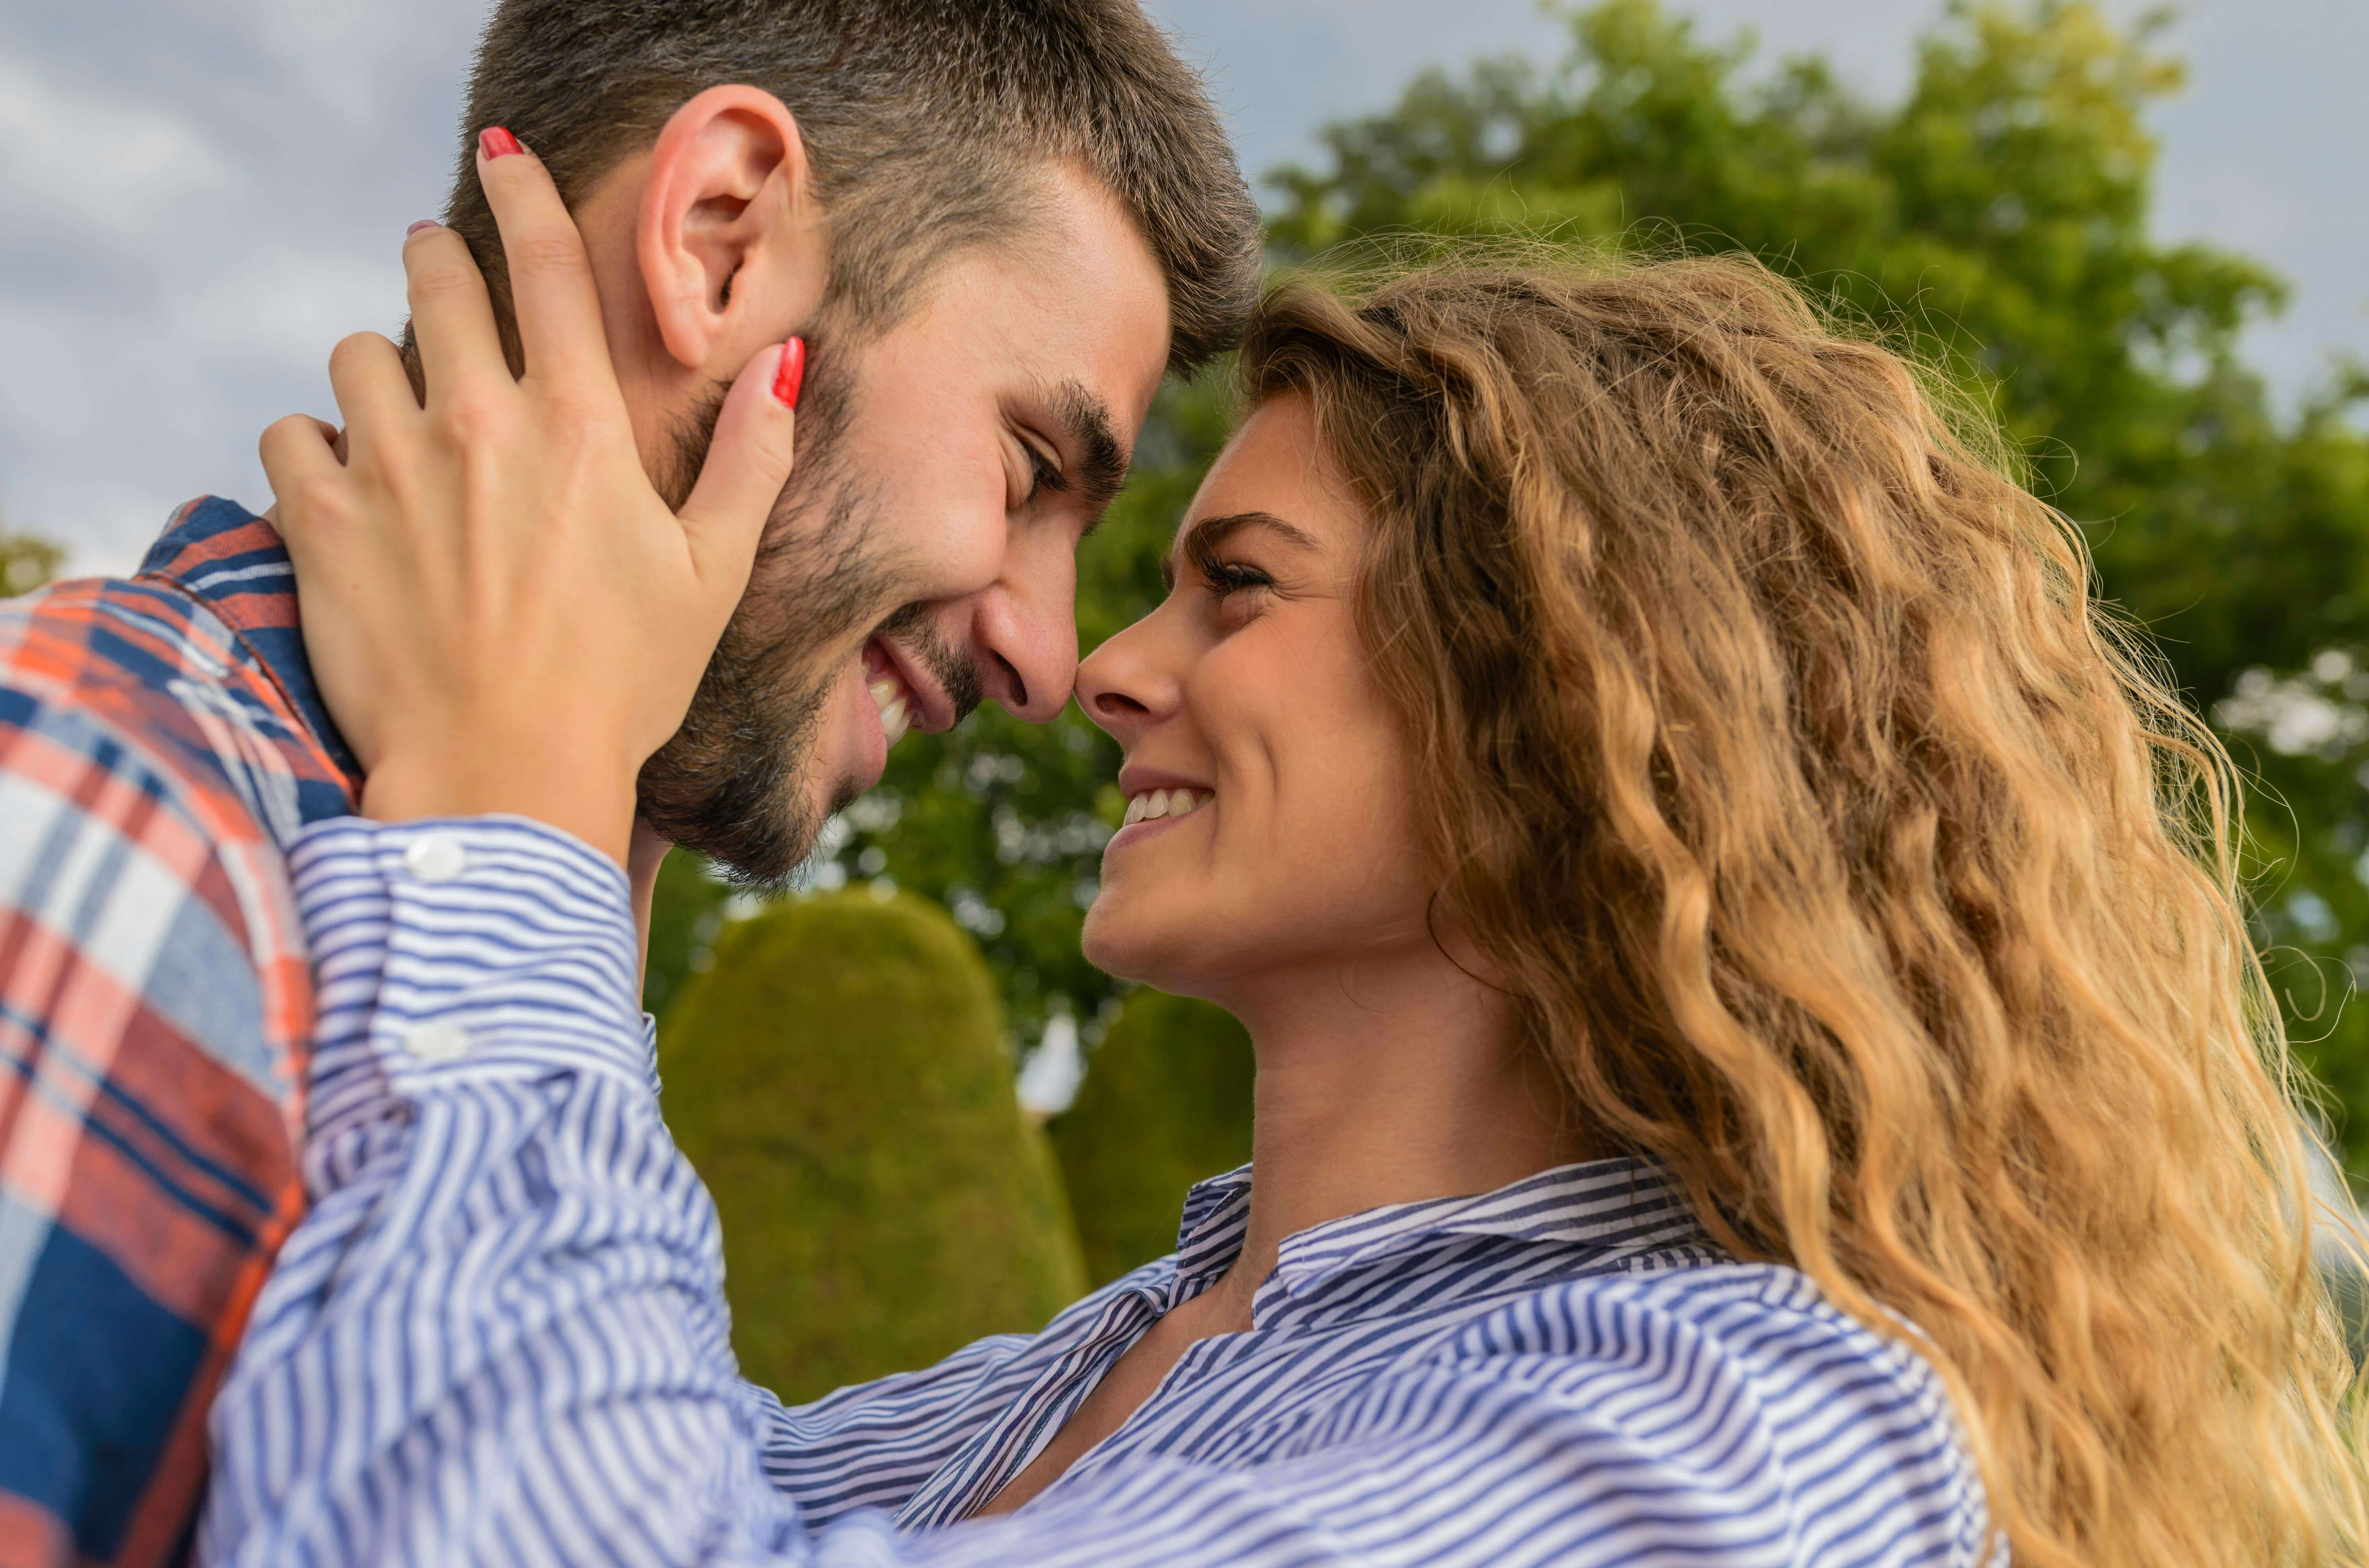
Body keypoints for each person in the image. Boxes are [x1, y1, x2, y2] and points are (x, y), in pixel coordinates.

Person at [198, 150, 2368, 1564]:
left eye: (1236, 583)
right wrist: (627, 753)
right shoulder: (1106, 1361)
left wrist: (520, 801)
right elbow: (555, 1460)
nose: (1102, 667)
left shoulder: (1752, 1449)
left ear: (1570, 696)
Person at [0, 0, 1259, 1561]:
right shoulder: (98, 812)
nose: (1050, 654)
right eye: (1027, 472)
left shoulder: (466, 1000)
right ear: (722, 241)